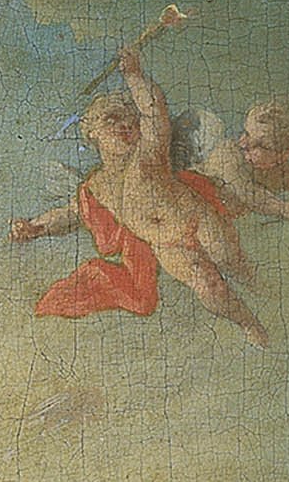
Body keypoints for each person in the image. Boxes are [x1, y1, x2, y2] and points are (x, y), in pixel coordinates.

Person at [14, 35, 264, 341]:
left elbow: (155, 113)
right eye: (112, 120)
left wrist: (134, 76)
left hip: (196, 220)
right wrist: (36, 227)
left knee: (234, 264)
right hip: (165, 245)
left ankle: (269, 294)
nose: (125, 126)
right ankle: (249, 323)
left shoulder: (148, 155)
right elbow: (71, 215)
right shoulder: (94, 187)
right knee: (209, 287)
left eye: (131, 121)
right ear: (92, 133)